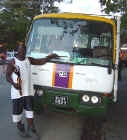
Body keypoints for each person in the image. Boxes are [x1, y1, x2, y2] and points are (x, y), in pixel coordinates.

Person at [6, 42, 58, 139]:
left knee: (30, 111)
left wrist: (50, 56)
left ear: (26, 50)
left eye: (24, 50)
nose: (23, 52)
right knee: (17, 113)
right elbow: (7, 76)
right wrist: (14, 84)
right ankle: (20, 126)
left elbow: (40, 61)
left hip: (28, 92)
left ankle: (31, 129)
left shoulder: (28, 60)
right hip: (17, 93)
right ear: (18, 50)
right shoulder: (12, 62)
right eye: (21, 50)